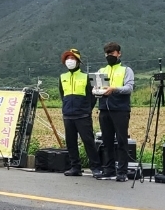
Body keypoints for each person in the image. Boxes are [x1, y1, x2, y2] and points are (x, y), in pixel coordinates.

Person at [58, 48, 102, 178]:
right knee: (70, 142)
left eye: (72, 58)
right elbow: (62, 94)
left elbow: (93, 96)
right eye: (67, 58)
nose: (69, 61)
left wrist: (87, 109)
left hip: (82, 115)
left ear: (78, 61)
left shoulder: (86, 76)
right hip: (68, 115)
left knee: (88, 141)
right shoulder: (62, 77)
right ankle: (75, 167)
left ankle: (95, 167)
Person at [96, 41, 135, 181]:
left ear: (119, 54)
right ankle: (109, 170)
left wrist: (114, 89)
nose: (109, 56)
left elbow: (129, 88)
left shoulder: (126, 70)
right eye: (107, 54)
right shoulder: (101, 71)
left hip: (120, 109)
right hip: (104, 109)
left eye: (112, 53)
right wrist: (96, 91)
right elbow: (97, 88)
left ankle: (122, 172)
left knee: (121, 141)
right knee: (106, 141)